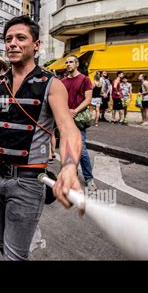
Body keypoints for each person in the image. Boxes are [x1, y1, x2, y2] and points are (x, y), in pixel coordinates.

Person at [0, 15, 82, 261]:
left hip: (28, 183)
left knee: (14, 255)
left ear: (36, 45)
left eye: (21, 37)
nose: (12, 43)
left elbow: (68, 129)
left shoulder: (51, 85)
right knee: (0, 241)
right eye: (8, 39)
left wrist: (69, 165)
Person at [62, 55, 97, 192]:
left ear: (76, 64)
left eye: (71, 62)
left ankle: (89, 179)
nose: (68, 64)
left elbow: (88, 99)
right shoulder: (63, 81)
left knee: (81, 151)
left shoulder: (85, 79)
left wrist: (74, 111)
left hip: (78, 119)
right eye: (66, 62)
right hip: (66, 119)